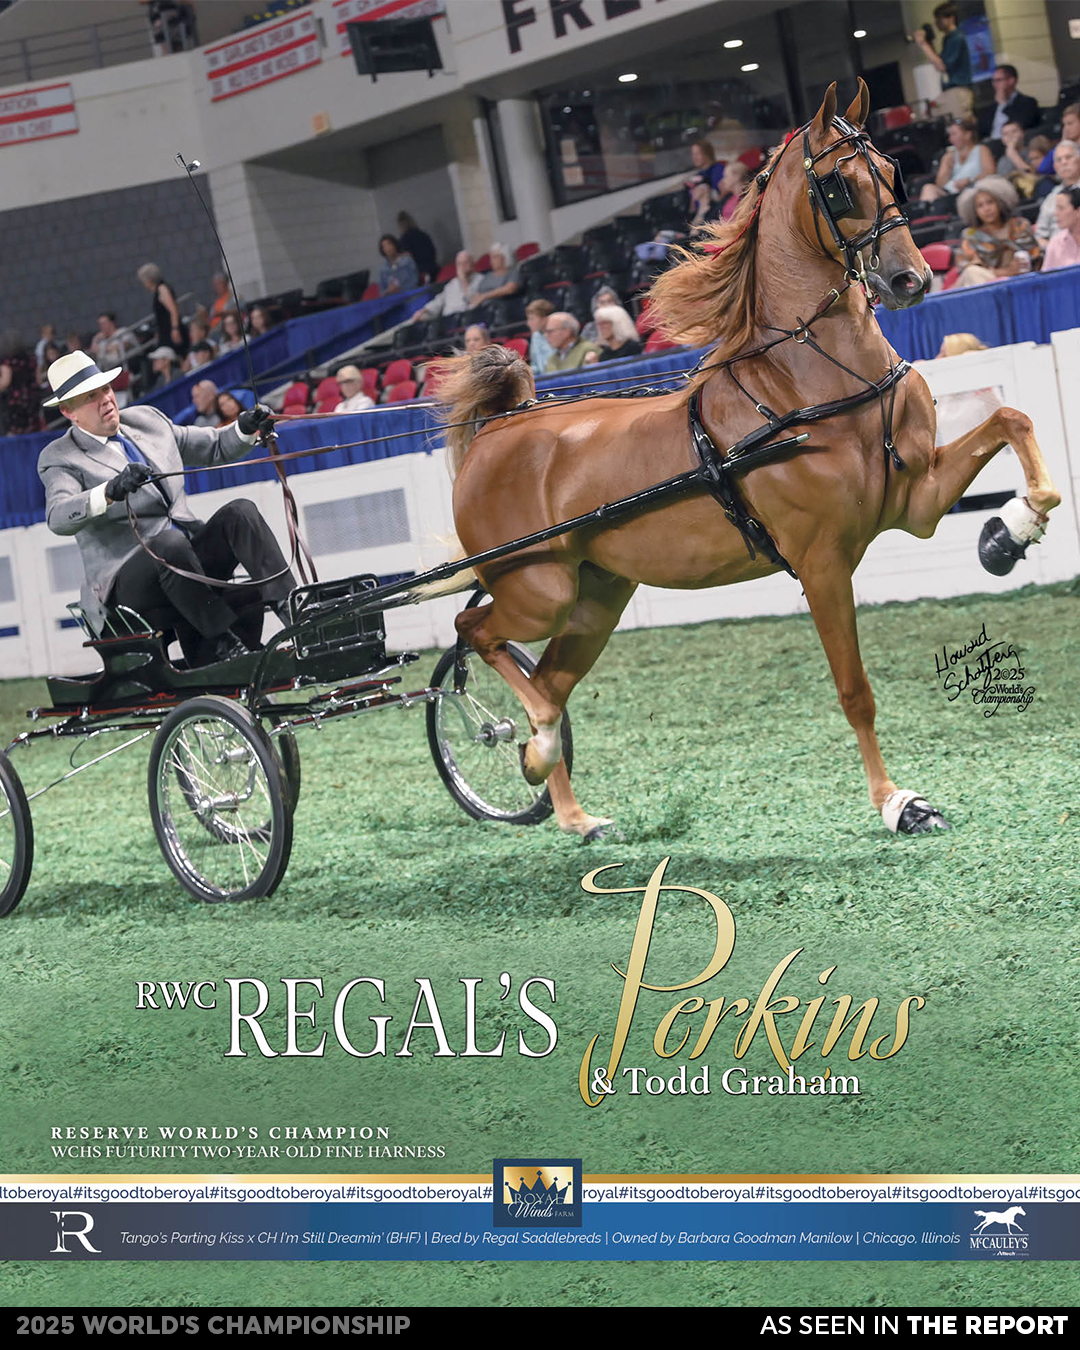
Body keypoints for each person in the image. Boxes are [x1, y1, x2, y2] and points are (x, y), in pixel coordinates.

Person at [38, 353, 293, 667]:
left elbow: (213, 445)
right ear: (69, 411)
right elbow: (58, 517)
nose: (105, 399)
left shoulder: (146, 420)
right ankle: (221, 643)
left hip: (187, 563)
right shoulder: (60, 456)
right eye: (91, 397)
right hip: (128, 586)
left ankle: (293, 610)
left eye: (105, 389)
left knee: (240, 512)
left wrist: (243, 429)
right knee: (169, 545)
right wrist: (108, 492)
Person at [954, 177, 1040, 287]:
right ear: (974, 211)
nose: (986, 209)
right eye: (980, 206)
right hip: (986, 282)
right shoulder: (970, 236)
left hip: (1023, 280)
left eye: (990, 202)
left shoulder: (1019, 225)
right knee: (971, 272)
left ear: (1000, 202)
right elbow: (968, 267)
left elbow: (1035, 257)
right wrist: (1006, 272)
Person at [913, 4, 972, 118]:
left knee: (957, 124)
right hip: (952, 91)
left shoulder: (956, 38)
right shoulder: (949, 39)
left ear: (951, 19)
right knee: (930, 114)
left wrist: (923, 44)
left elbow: (941, 66)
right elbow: (938, 61)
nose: (937, 23)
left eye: (939, 19)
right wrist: (929, 43)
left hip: (958, 90)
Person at [919, 116, 994, 203]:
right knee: (928, 188)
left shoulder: (981, 149)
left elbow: (990, 171)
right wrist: (947, 169)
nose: (951, 139)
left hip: (974, 189)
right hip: (951, 193)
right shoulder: (948, 157)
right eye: (950, 135)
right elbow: (940, 184)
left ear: (968, 135)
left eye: (954, 134)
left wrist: (970, 180)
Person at [409, 251, 479, 324]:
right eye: (459, 264)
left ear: (473, 263)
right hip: (447, 322)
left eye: (466, 262)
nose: (462, 266)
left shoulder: (480, 280)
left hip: (467, 321)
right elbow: (438, 301)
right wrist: (424, 310)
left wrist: (464, 281)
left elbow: (470, 302)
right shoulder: (451, 284)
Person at [137, 263, 187, 359]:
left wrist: (175, 329)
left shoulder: (162, 289)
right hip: (165, 331)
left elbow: (173, 310)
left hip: (171, 330)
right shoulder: (158, 290)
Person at [979, 64, 1041, 141]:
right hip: (990, 143)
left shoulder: (1027, 102)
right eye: (993, 81)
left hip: (1013, 142)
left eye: (998, 80)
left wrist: (1003, 104)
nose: (995, 84)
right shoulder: (991, 107)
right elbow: (983, 130)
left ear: (1011, 81)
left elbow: (1022, 124)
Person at [1034, 141, 1080, 241]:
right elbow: (1040, 235)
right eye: (1059, 160)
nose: (1064, 162)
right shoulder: (1052, 197)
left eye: (1068, 157)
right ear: (1055, 167)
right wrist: (1053, 248)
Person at [1, 331, 43, 436]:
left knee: (15, 433)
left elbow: (5, 382)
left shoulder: (8, 362)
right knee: (33, 430)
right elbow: (39, 380)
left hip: (15, 402)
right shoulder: (32, 359)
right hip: (32, 398)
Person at [1041, 185, 1080, 272]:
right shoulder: (1055, 242)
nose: (1056, 213)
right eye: (1056, 208)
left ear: (1078, 211)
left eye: (1061, 208)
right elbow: (1047, 276)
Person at [472, 244, 520, 309]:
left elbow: (510, 289)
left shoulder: (513, 273)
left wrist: (484, 296)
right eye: (490, 257)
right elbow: (477, 294)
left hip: (501, 307)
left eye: (495, 257)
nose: (491, 260)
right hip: (481, 308)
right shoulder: (487, 276)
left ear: (505, 258)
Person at [396, 212, 437, 283]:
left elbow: (407, 259)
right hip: (432, 268)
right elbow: (432, 251)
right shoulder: (423, 234)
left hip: (417, 274)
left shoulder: (404, 240)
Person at [525, 298, 555, 377]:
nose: (528, 323)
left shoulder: (557, 334)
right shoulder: (535, 336)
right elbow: (535, 365)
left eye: (532, 319)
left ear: (544, 319)